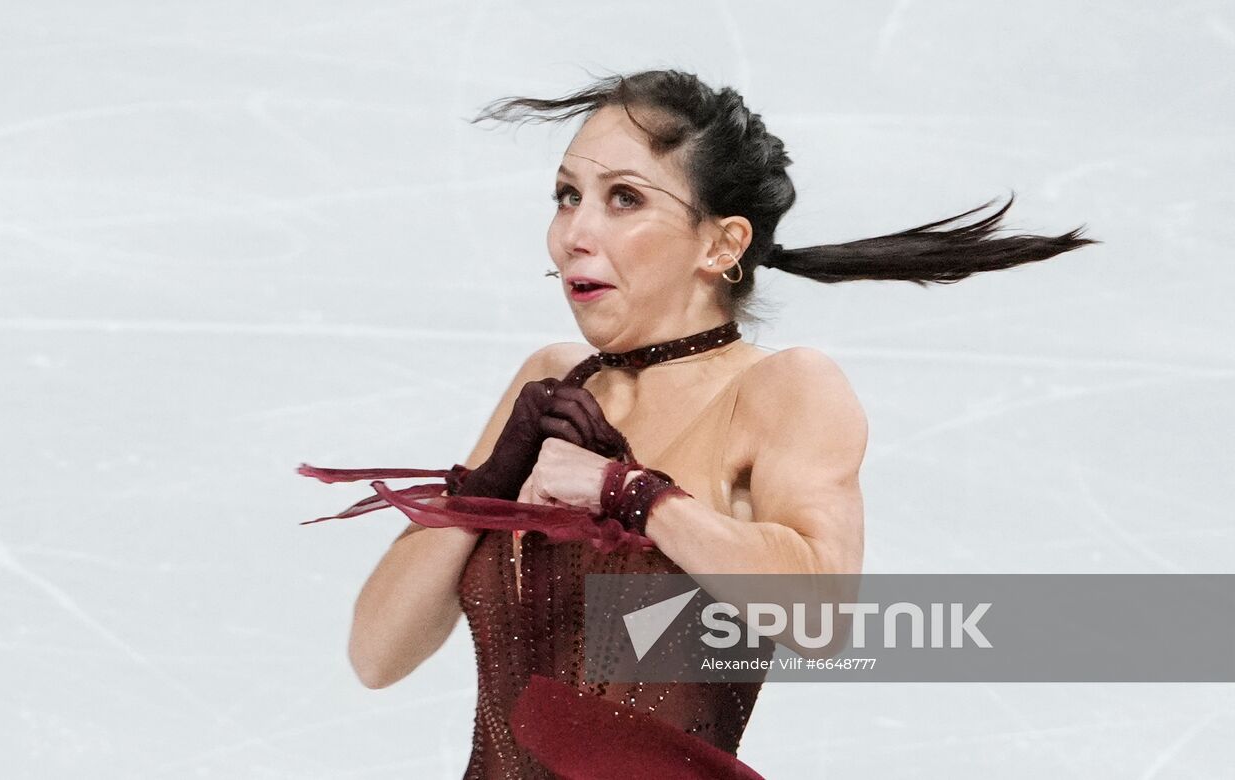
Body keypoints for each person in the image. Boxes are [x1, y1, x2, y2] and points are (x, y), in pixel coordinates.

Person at [299, 69, 1097, 779]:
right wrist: (485, 487)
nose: (576, 231)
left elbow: (820, 614)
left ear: (721, 243)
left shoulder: (782, 389)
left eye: (625, 199)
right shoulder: (550, 380)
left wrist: (631, 492)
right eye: (567, 194)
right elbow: (376, 655)